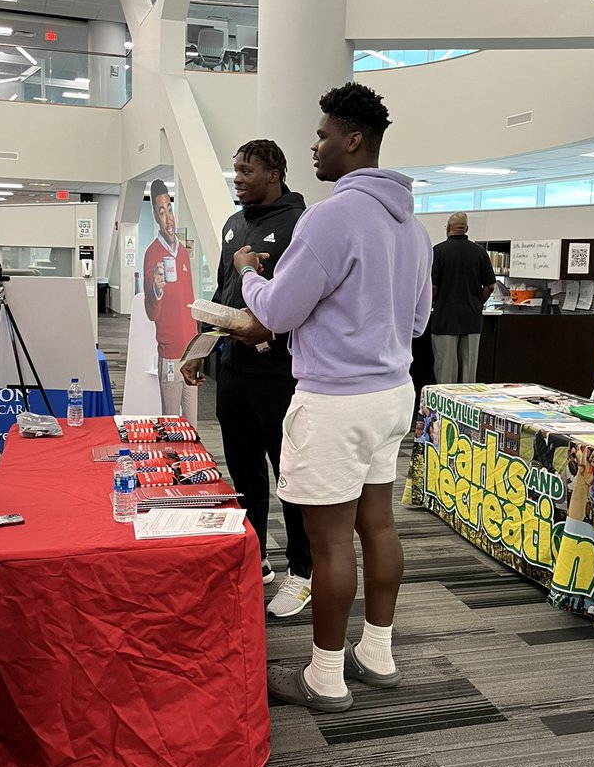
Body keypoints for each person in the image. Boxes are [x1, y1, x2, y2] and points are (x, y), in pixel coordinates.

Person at [233, 82, 432, 712]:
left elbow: (281, 311)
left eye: (322, 136)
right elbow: (419, 322)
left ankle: (325, 676)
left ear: (353, 141)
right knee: (378, 525)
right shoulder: (415, 228)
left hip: (335, 401)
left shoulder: (330, 217)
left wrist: (248, 276)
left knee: (328, 544)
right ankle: (377, 651)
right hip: (393, 395)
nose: (314, 147)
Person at [179, 140, 314, 610]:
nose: (237, 178)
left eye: (246, 170)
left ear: (275, 173)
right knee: (244, 472)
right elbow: (223, 290)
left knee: (290, 475)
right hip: (234, 370)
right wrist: (198, 347)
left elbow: (306, 301)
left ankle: (302, 570)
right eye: (234, 170)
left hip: (282, 374)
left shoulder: (301, 223)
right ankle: (255, 555)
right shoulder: (234, 224)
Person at [142, 179, 198, 420]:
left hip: (191, 353)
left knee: (193, 425)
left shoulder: (183, 253)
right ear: (155, 216)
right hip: (171, 356)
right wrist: (156, 289)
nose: (168, 218)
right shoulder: (152, 254)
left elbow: (189, 300)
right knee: (172, 424)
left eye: (170, 209)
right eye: (162, 212)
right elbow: (150, 312)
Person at [430, 211, 496, 384]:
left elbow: (433, 287)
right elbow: (490, 286)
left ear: (448, 228)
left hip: (445, 318)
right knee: (468, 376)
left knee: (445, 372)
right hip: (472, 320)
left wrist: (433, 303)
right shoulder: (480, 252)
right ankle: (467, 407)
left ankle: (446, 409)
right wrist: (476, 303)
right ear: (466, 229)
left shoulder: (438, 251)